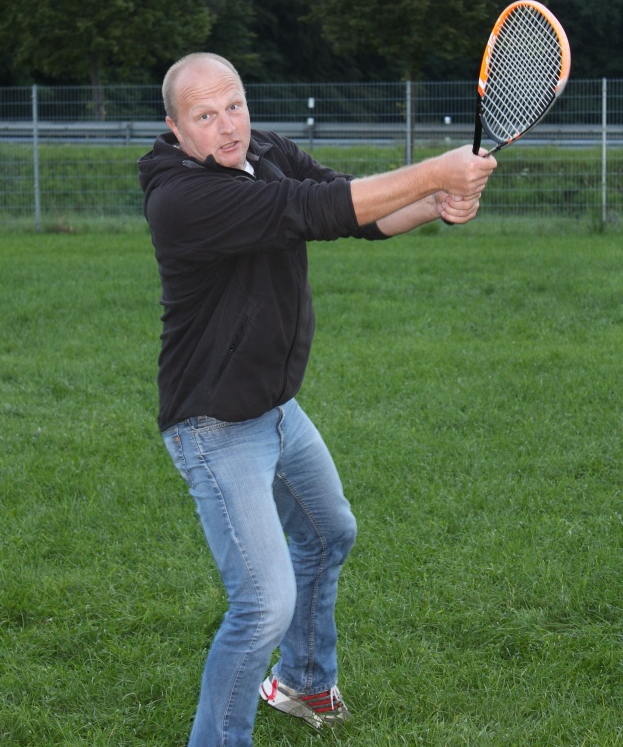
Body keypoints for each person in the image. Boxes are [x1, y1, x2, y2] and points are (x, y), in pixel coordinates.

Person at [138, 52, 496, 747]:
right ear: (175, 128)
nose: (228, 126)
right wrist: (437, 171)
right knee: (263, 605)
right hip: (213, 426)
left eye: (235, 105)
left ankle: (302, 683)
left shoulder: (265, 152)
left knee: (329, 532)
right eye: (205, 116)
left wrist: (433, 204)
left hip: (276, 410)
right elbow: (310, 210)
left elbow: (351, 210)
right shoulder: (181, 199)